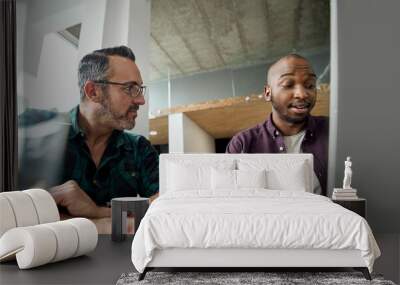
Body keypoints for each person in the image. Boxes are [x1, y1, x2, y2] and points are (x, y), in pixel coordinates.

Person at [49, 46, 159, 222]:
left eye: (140, 89)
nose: (141, 100)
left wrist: (97, 212)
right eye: (130, 88)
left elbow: (164, 205)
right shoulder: (41, 134)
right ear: (93, 91)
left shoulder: (139, 149)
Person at [226, 54, 329, 195]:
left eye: (310, 85)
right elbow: (230, 199)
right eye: (288, 85)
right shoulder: (242, 144)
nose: (302, 94)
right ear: (268, 93)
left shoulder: (333, 132)